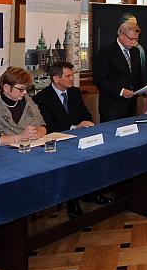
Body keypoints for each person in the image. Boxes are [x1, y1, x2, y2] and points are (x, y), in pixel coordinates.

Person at [32, 61, 99, 219]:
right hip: (57, 142)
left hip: (80, 137)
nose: (72, 79)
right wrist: (75, 126)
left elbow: (85, 114)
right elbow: (49, 125)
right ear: (56, 78)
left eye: (72, 75)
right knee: (73, 164)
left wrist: (86, 123)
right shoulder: (42, 98)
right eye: (68, 76)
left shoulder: (74, 92)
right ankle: (73, 202)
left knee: (96, 156)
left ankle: (92, 193)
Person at [92, 21, 147, 122]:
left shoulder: (135, 52)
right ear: (121, 35)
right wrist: (121, 91)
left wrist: (145, 88)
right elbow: (100, 80)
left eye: (136, 39)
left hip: (131, 106)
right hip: (112, 107)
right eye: (131, 39)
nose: (134, 42)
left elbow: (137, 76)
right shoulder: (106, 52)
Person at [0, 66, 46, 147]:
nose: (25, 92)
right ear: (6, 88)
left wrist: (37, 133)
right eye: (21, 89)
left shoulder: (27, 101)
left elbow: (42, 125)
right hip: (1, 153)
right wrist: (19, 138)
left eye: (26, 88)